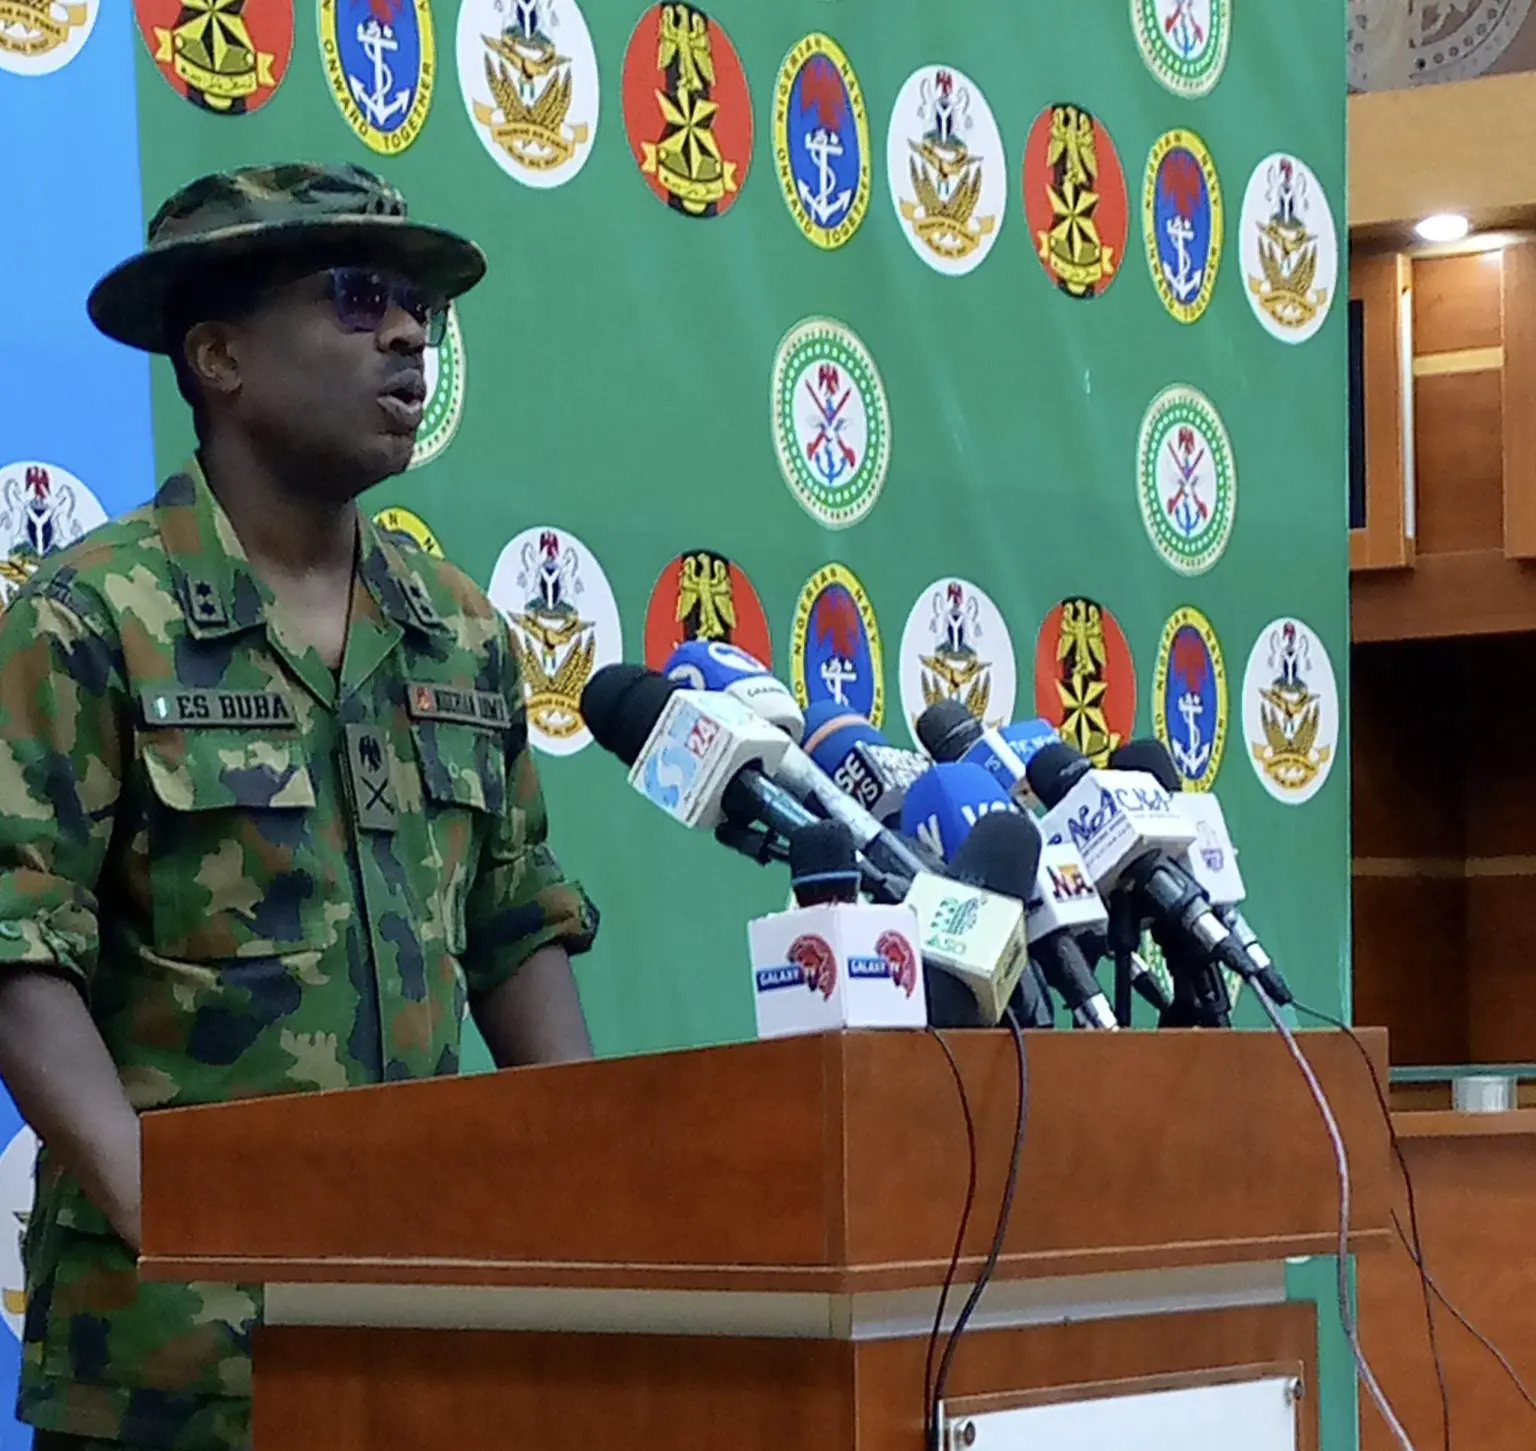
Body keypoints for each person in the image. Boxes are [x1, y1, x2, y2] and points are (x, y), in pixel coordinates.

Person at [0, 162, 600, 1450]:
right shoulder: (91, 621)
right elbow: (16, 948)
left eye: (421, 309)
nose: (407, 335)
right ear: (218, 356)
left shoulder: (461, 635)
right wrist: (170, 1218)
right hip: (168, 1375)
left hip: (423, 1337)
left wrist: (601, 1198)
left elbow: (513, 928)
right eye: (357, 298)